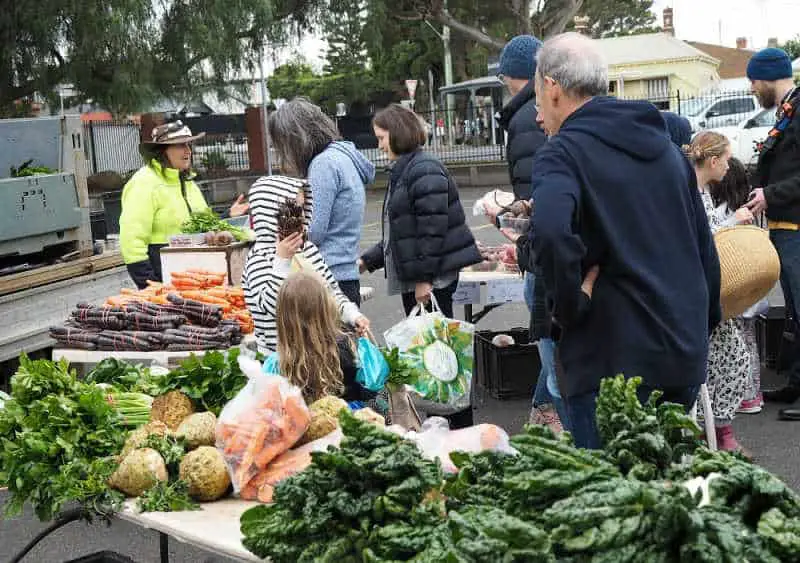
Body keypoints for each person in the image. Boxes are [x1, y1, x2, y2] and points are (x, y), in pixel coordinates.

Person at [529, 32, 721, 449]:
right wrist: (701, 325)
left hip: (610, 365)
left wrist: (569, 307)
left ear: (552, 87)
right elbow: (704, 250)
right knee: (667, 494)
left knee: (615, 503)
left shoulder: (562, 152)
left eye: (536, 92)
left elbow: (548, 231)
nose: (537, 107)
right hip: (680, 356)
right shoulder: (668, 151)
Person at [493, 35, 562, 431]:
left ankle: (549, 415)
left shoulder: (525, 119)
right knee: (550, 337)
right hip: (542, 243)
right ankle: (543, 412)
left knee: (549, 335)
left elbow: (539, 191)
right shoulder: (530, 116)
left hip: (542, 247)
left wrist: (521, 217)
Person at [359, 104, 481, 319]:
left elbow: (431, 231)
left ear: (397, 134)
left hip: (431, 280)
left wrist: (424, 280)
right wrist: (368, 262)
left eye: (381, 138)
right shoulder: (409, 169)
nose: (379, 146)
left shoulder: (423, 169)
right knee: (428, 346)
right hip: (423, 277)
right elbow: (402, 231)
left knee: (434, 347)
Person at [241, 175, 369, 354]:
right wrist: (282, 260)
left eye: (303, 208)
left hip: (319, 354)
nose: (302, 215)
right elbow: (271, 307)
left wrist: (352, 315)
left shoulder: (307, 250)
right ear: (272, 213)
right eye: (295, 209)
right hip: (281, 360)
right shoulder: (259, 257)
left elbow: (331, 292)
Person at [268, 98, 375, 305]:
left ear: (297, 138)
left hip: (327, 278)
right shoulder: (342, 157)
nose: (285, 153)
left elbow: (314, 231)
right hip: (344, 275)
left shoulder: (323, 164)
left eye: (284, 145)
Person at [686, 133, 754, 453]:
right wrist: (733, 222)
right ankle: (714, 434)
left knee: (731, 360)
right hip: (698, 294)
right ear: (713, 161)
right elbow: (701, 240)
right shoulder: (691, 194)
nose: (729, 166)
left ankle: (716, 430)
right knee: (722, 362)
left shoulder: (703, 193)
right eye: (726, 160)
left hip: (711, 292)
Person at [119, 121, 249, 289]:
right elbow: (131, 239)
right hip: (163, 276)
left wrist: (227, 215)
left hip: (195, 275)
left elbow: (201, 224)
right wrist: (150, 285)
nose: (188, 150)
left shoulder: (187, 182)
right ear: (162, 151)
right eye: (180, 145)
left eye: (189, 144)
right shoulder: (144, 183)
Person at [743, 47, 800, 421]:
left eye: (753, 81)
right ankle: (797, 381)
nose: (751, 88)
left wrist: (770, 194)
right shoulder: (788, 112)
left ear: (767, 77)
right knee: (795, 313)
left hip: (796, 228)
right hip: (784, 228)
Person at [709, 156, 765, 415]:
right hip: (751, 288)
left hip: (731, 287)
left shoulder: (722, 212)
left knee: (733, 350)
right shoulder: (747, 208)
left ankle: (740, 396)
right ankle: (754, 395)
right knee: (749, 345)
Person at [274, 271, 376, 405]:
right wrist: (367, 346)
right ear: (324, 309)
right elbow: (368, 388)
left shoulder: (279, 360)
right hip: (346, 417)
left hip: (304, 420)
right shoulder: (341, 346)